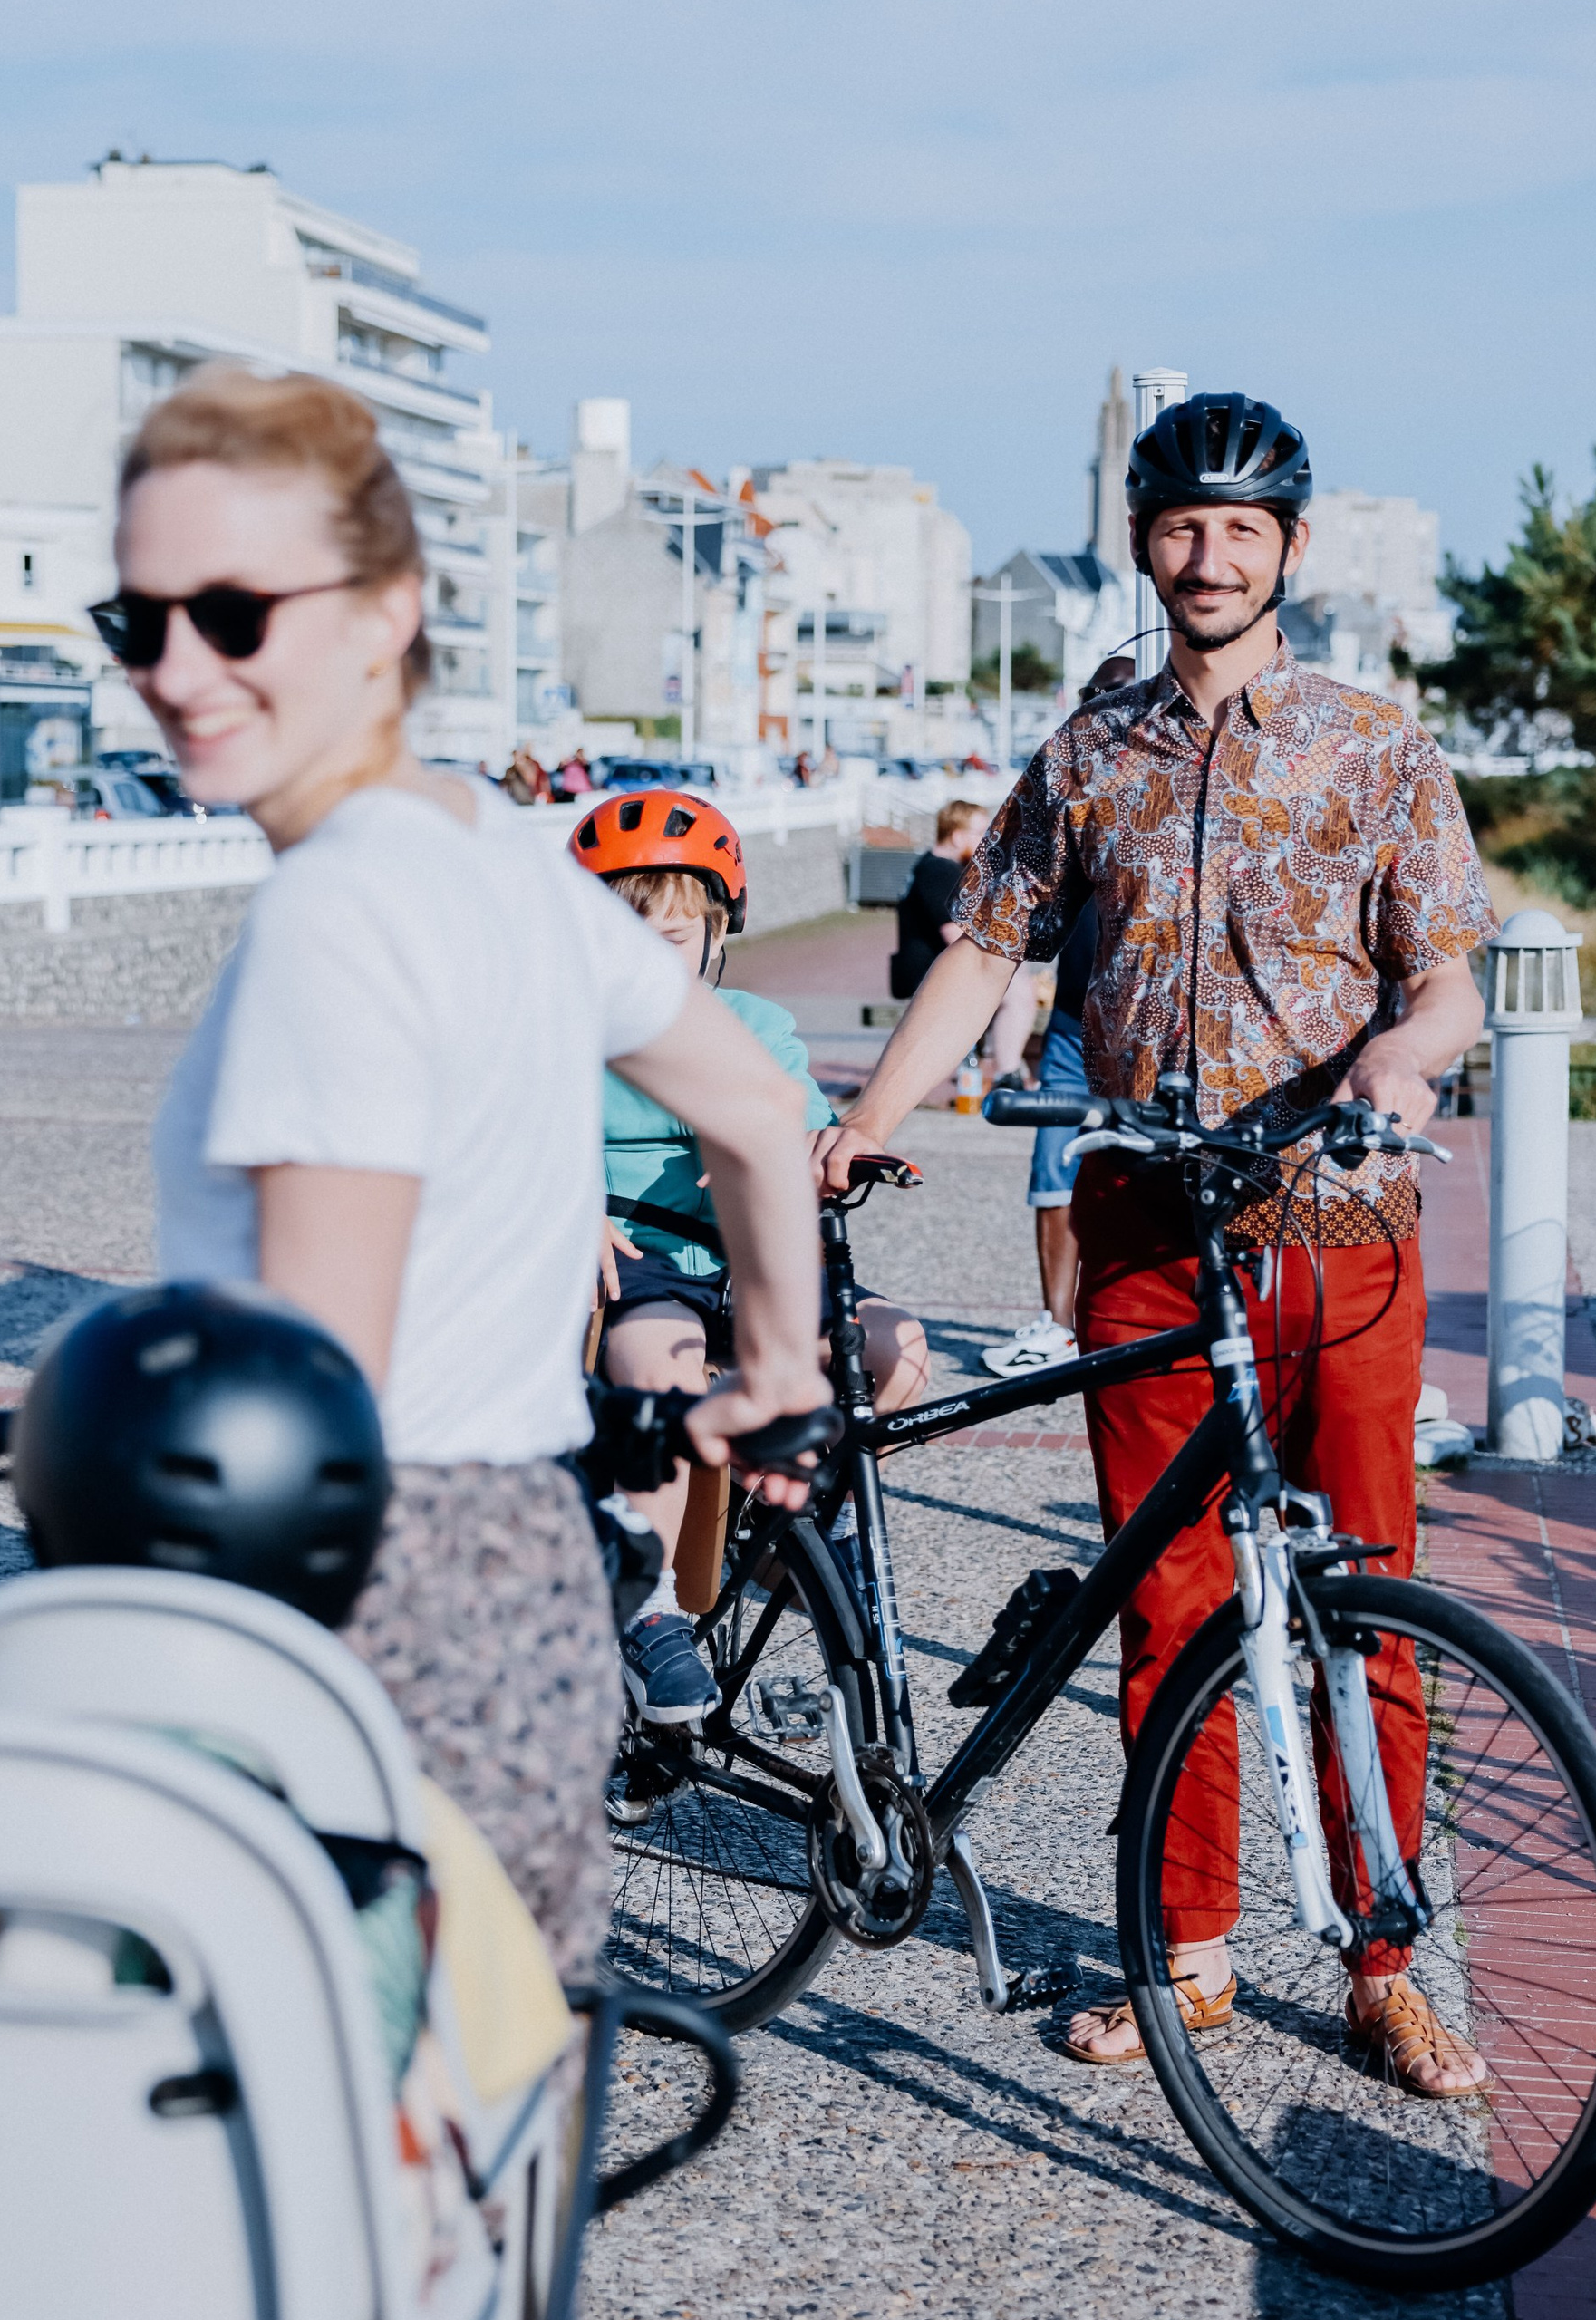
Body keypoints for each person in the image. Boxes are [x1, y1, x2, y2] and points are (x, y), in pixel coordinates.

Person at [813, 392, 1497, 2094]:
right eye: (1184, 527)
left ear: (1291, 550)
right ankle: (1186, 1955)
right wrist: (875, 1110)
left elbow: (1447, 980)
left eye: (1243, 530)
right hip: (1146, 1226)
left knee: (1364, 1602)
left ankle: (1384, 1960)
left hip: (1340, 1227)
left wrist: (1406, 1062)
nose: (1211, 557)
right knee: (1173, 1597)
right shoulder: (1090, 752)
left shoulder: (1377, 747)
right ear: (1143, 543)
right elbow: (987, 945)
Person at [121, 368, 830, 1981]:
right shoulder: (499, 857)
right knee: (477, 2099)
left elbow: (319, 1389)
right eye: (138, 621)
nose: (175, 669)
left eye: (232, 615)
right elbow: (749, 1109)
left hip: (367, 1616)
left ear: (386, 615)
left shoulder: (334, 916)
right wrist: (778, 1372)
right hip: (527, 1585)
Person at [570, 792, 932, 1723]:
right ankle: (649, 1609)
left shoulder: (751, 1023)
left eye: (672, 937)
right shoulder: (562, 1032)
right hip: (638, 1261)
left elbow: (800, 1121)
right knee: (664, 1359)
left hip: (745, 1263)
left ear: (718, 932)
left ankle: (785, 1530)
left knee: (896, 1351)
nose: (650, 961)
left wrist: (827, 1149)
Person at [981, 654, 1131, 1377]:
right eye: (1092, 696)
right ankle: (1057, 1327)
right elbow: (996, 934)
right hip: (1072, 1027)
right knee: (1052, 1174)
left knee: (1157, 1181)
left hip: (1149, 1039)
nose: (1101, 708)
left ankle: (1145, 1329)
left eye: (1114, 696)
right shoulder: (1071, 787)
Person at [893, 798, 1039, 1085]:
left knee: (1014, 977)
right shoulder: (940, 872)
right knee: (1018, 991)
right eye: (981, 833)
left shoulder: (932, 866)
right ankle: (1008, 1075)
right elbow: (957, 938)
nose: (988, 841)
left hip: (929, 968)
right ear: (958, 836)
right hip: (928, 974)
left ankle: (1010, 1071)